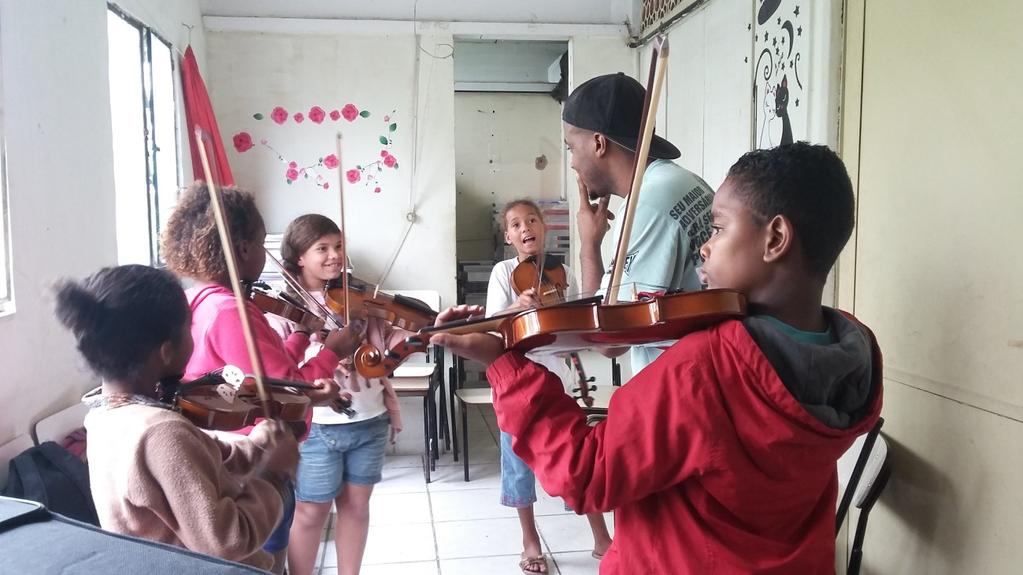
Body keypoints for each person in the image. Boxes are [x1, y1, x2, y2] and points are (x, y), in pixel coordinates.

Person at [432, 143, 884, 573]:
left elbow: (586, 471)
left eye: (719, 228)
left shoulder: (706, 368)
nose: (705, 247)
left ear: (776, 238)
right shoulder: (845, 355)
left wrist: (503, 364)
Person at [161, 182, 364, 573]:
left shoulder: (201, 299)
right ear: (243, 250)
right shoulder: (231, 311)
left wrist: (300, 338)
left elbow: (254, 377)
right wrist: (331, 351)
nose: (266, 253)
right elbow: (287, 394)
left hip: (224, 450)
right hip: (251, 461)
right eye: (260, 242)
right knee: (267, 559)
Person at [57, 264, 298, 571]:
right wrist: (273, 476)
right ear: (167, 351)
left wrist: (259, 447)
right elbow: (226, 541)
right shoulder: (161, 433)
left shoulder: (105, 415)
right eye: (190, 327)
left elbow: (201, 460)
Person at [271, 214, 405, 575]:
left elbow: (388, 341)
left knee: (357, 508)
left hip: (370, 416)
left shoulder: (358, 295)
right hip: (317, 426)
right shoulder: (284, 306)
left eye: (339, 246)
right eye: (322, 249)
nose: (334, 256)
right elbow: (283, 368)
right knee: (311, 511)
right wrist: (326, 349)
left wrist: (412, 339)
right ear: (299, 256)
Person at [486, 200, 612, 574]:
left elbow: (573, 324)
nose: (525, 227)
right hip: (516, 383)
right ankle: (530, 540)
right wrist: (519, 307)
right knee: (519, 465)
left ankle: (601, 537)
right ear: (509, 237)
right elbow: (494, 324)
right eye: (515, 224)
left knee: (576, 459)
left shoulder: (564, 271)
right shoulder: (503, 272)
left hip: (557, 379)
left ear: (543, 227)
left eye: (531, 220)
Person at [565, 72, 715, 372]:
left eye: (571, 147)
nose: (572, 162)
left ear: (598, 143)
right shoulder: (683, 180)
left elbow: (608, 339)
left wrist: (589, 246)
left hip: (682, 394)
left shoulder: (646, 206)